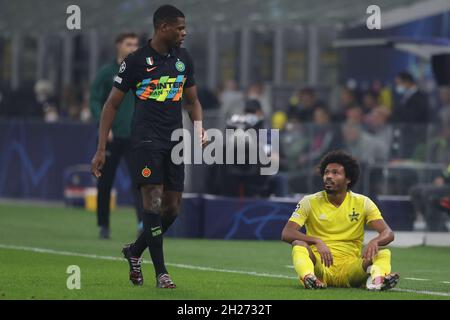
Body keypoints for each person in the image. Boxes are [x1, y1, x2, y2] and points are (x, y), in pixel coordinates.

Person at [91, 5, 207, 289]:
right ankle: (162, 273)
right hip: (145, 139)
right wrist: (100, 148)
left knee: (172, 207)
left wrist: (200, 128)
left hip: (175, 140)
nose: (184, 32)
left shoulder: (183, 59)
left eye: (184, 27)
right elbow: (111, 105)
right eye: (179, 28)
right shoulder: (135, 62)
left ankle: (134, 251)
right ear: (163, 28)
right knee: (152, 201)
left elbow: (192, 101)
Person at [281, 150, 399, 290]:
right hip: (320, 267)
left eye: (335, 173)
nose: (328, 176)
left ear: (348, 179)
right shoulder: (309, 202)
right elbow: (287, 233)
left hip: (351, 268)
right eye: (326, 173)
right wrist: (316, 240)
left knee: (383, 252)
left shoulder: (363, 203)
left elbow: (388, 232)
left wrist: (375, 241)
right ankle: (309, 278)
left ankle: (377, 280)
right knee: (298, 243)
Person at [89, 32, 142, 239]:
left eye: (136, 44)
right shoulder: (106, 72)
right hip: (111, 136)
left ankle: (141, 223)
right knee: (105, 181)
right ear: (118, 46)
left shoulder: (141, 72)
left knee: (140, 181)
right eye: (129, 44)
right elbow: (94, 99)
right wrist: (103, 127)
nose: (133, 47)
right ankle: (103, 225)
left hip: (134, 135)